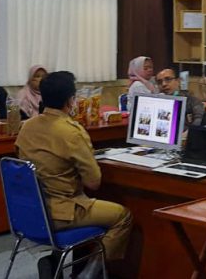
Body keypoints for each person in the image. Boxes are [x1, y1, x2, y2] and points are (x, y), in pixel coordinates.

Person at [16, 71, 132, 273]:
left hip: (31, 211)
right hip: (63, 212)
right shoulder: (71, 132)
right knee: (123, 216)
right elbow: (93, 182)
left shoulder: (27, 127)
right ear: (71, 100)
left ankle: (55, 261)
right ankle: (89, 273)